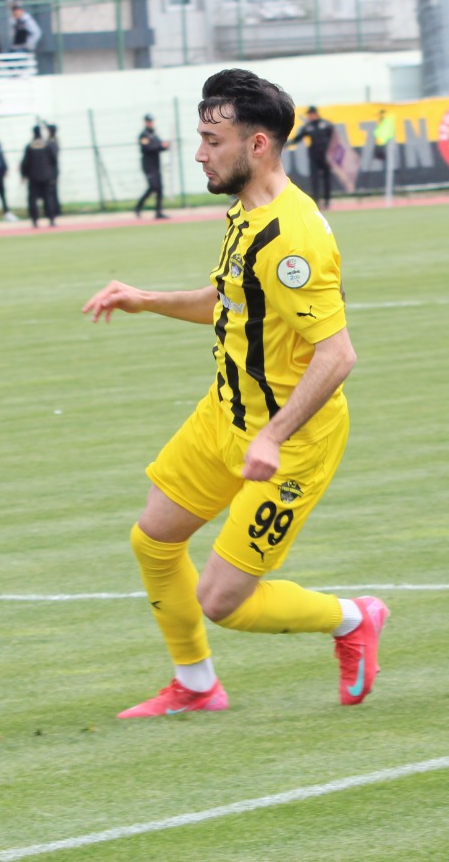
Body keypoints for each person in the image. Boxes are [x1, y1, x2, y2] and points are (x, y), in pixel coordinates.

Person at [81, 68, 384, 719]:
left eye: (211, 140)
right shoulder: (246, 211)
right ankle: (195, 686)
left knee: (223, 601)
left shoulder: (293, 241)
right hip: (226, 413)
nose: (199, 153)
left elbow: (338, 354)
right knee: (153, 538)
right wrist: (145, 300)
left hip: (291, 443)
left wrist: (272, 437)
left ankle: (353, 619)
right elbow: (229, 301)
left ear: (258, 145)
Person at [292, 105, 336, 210]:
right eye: (309, 115)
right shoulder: (308, 127)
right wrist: (287, 143)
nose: (310, 116)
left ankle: (327, 201)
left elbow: (333, 138)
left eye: (311, 114)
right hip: (314, 157)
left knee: (327, 179)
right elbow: (299, 137)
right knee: (314, 180)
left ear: (315, 114)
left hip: (326, 156)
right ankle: (316, 201)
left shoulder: (326, 124)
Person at [21, 124, 57, 228]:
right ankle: (51, 219)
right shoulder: (47, 145)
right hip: (47, 176)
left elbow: (25, 163)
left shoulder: (30, 146)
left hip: (33, 177)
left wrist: (24, 175)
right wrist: (53, 175)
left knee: (32, 200)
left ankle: (34, 220)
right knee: (48, 198)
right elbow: (53, 161)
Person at [135, 112, 169, 220]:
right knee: (153, 187)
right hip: (148, 166)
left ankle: (158, 212)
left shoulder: (154, 134)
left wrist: (165, 146)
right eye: (148, 121)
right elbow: (147, 148)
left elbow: (159, 146)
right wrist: (160, 146)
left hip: (156, 165)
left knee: (159, 188)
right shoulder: (143, 135)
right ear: (145, 122)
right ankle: (138, 207)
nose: (150, 123)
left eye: (151, 121)